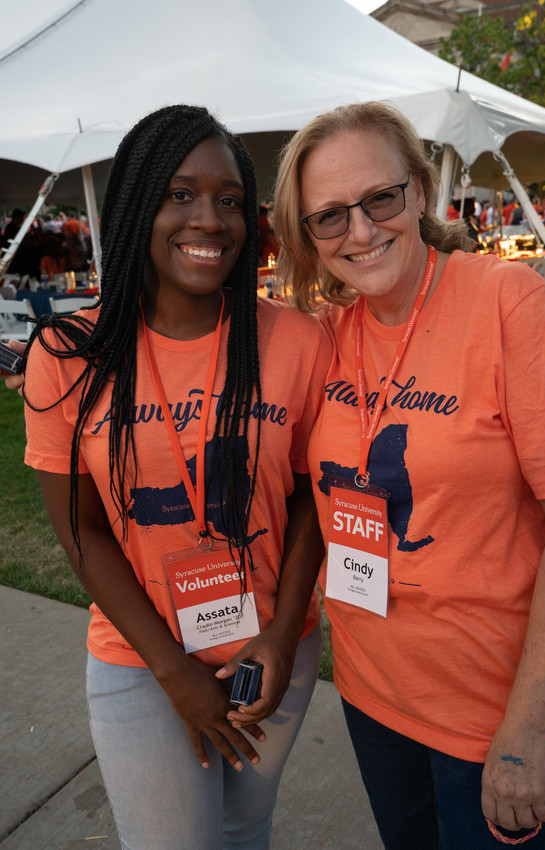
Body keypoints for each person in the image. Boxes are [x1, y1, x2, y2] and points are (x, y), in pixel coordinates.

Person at [9, 104, 331, 850]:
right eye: (178, 194)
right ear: (136, 204)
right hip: (141, 657)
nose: (208, 220)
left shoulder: (296, 341)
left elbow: (312, 495)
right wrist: (173, 673)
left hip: (273, 653)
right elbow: (79, 529)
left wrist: (282, 637)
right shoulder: (69, 352)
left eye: (227, 199)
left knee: (246, 829)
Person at [271, 101, 545, 849]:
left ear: (418, 190)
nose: (361, 232)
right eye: (329, 216)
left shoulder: (508, 303)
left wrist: (525, 731)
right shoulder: (326, 334)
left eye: (380, 198)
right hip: (374, 696)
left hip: (492, 715)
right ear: (305, 235)